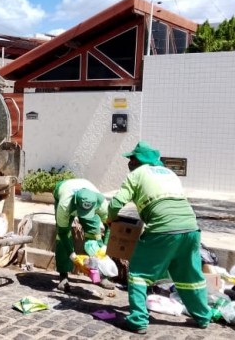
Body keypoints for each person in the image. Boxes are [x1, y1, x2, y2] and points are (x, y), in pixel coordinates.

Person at [107, 141, 210, 335]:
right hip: (191, 228)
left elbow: (116, 204)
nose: (129, 163)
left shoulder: (136, 174)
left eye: (132, 159)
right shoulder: (170, 173)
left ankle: (138, 320)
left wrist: (110, 219)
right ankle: (203, 316)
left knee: (138, 274)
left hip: (162, 229)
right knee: (189, 276)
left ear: (139, 160)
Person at [53, 178, 114, 290]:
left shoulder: (101, 203)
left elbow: (111, 226)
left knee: (95, 234)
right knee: (62, 237)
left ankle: (101, 274)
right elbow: (62, 233)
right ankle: (63, 275)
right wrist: (72, 255)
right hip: (64, 190)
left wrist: (105, 246)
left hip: (85, 190)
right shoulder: (64, 205)